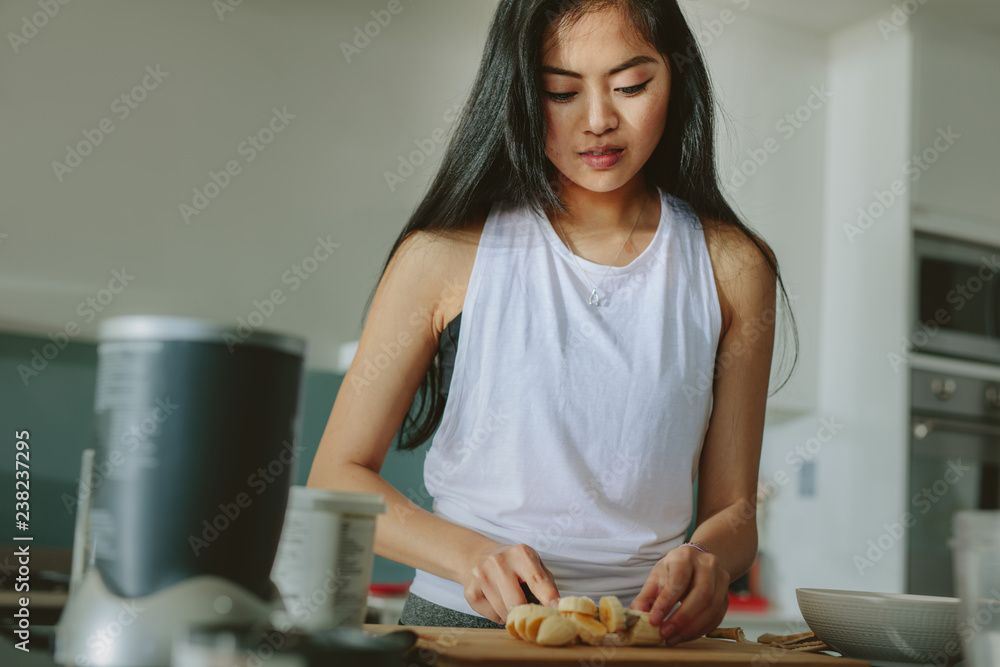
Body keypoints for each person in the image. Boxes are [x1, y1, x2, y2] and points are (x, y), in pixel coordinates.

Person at [307, 0, 797, 646]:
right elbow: (335, 477)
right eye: (560, 92)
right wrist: (469, 555)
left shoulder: (732, 268)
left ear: (675, 79)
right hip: (466, 626)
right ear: (518, 91)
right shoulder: (443, 256)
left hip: (640, 637)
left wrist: (709, 558)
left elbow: (733, 511)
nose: (598, 120)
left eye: (631, 86)